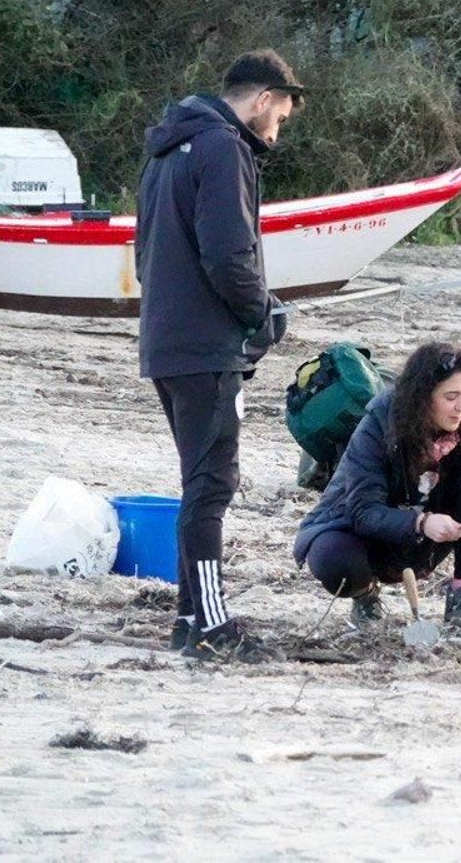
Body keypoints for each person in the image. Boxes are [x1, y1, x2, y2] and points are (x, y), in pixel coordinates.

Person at [136, 49, 301, 660]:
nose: (276, 131)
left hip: (167, 340)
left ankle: (188, 617)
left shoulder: (167, 149)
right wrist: (262, 316)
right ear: (262, 101)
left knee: (197, 482)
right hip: (204, 348)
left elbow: (147, 250)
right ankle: (211, 622)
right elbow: (229, 257)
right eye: (279, 117)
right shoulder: (222, 147)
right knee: (211, 486)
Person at [294, 344, 461, 629]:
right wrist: (421, 522)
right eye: (451, 397)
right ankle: (365, 595)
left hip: (431, 534)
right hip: (364, 533)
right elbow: (363, 510)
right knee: (334, 561)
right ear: (423, 398)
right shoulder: (379, 425)